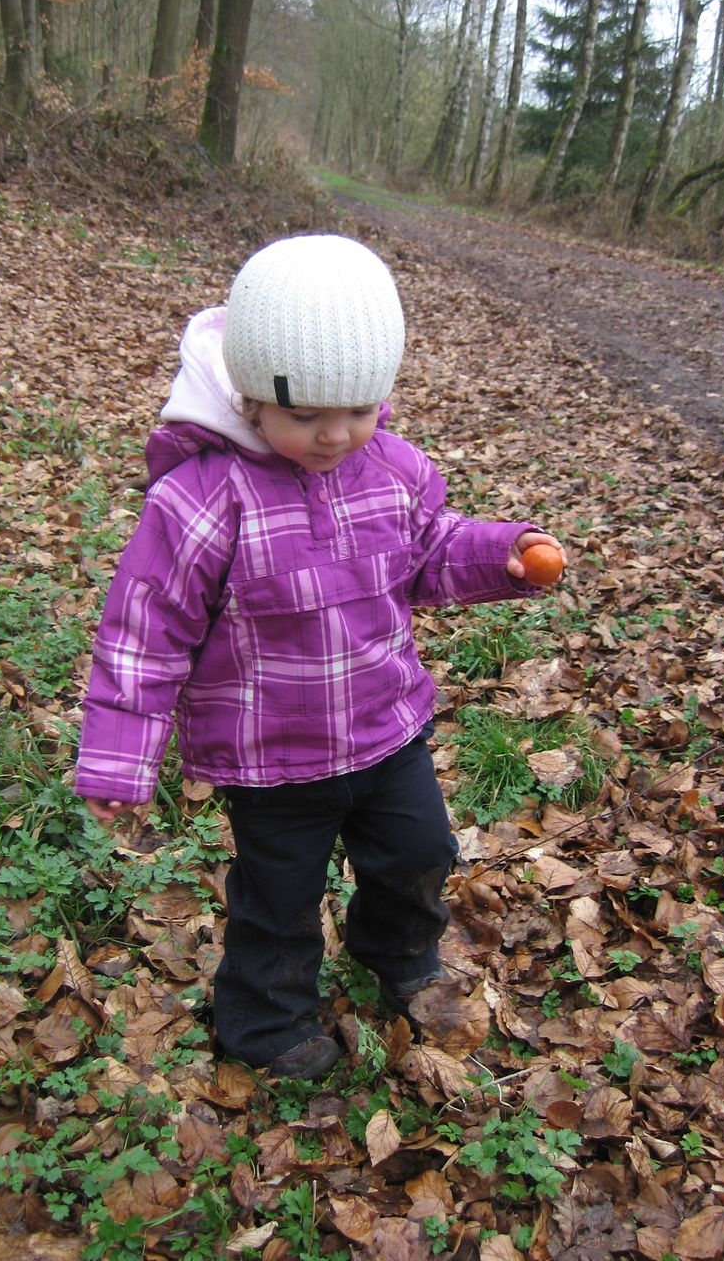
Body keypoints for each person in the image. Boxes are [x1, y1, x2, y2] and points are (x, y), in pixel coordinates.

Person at [75, 234, 565, 1080]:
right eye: (304, 415)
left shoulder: (394, 470)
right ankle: (267, 1023)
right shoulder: (203, 499)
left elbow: (429, 550)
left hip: (386, 729)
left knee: (420, 853)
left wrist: (501, 555)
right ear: (249, 395)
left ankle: (397, 951)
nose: (336, 435)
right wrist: (121, 759)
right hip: (273, 761)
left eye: (359, 409)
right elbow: (145, 630)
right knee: (279, 898)